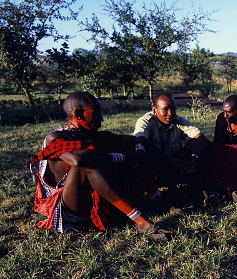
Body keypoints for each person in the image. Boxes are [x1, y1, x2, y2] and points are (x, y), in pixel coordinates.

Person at [27, 92, 170, 239]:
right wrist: (126, 157)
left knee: (128, 146)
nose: (101, 119)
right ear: (79, 114)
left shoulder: (91, 136)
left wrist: (138, 150)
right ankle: (142, 223)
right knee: (89, 164)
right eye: (95, 114)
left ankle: (156, 198)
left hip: (87, 202)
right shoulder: (56, 137)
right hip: (69, 208)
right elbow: (77, 160)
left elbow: (135, 139)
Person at [134, 92, 210, 206]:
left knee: (196, 143)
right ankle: (168, 194)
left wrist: (194, 159)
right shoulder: (146, 121)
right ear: (154, 110)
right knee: (143, 151)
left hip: (175, 162)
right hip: (157, 164)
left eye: (173, 109)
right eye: (165, 109)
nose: (170, 113)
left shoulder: (179, 121)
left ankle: (197, 186)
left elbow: (202, 139)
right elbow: (140, 140)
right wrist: (169, 160)